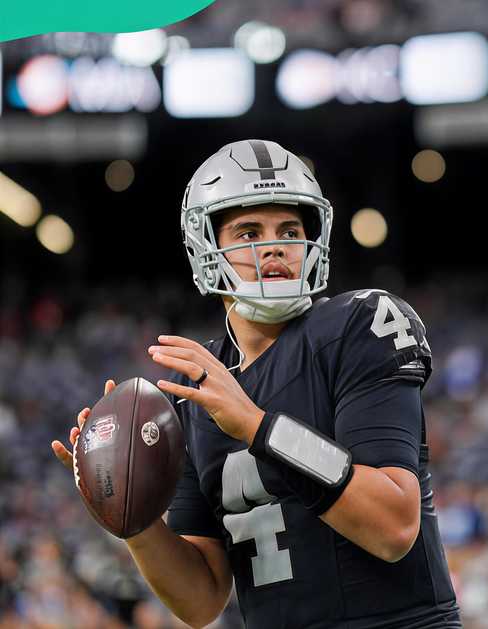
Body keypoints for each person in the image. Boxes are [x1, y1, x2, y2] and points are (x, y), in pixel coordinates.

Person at [51, 139, 461, 628]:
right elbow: (201, 600)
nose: (275, 246)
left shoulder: (360, 325)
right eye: (248, 231)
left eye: (289, 229)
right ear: (206, 247)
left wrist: (256, 426)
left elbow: (394, 525)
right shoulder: (194, 392)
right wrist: (132, 522)